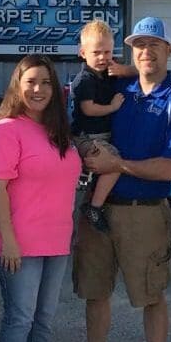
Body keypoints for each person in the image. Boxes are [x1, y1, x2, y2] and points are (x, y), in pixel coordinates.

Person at [61, 16, 171, 342]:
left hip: (145, 210)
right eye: (139, 45)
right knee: (95, 292)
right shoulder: (116, 88)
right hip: (96, 211)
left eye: (155, 44)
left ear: (169, 51)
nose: (146, 51)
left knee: (152, 296)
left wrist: (118, 166)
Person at [0, 55, 83, 342]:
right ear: (18, 85)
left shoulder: (60, 131)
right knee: (20, 317)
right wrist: (8, 239)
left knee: (44, 317)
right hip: (17, 244)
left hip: (55, 241)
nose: (38, 89)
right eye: (30, 82)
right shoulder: (7, 129)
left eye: (45, 82)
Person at [70, 20, 130, 233]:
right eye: (97, 52)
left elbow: (136, 73)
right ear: (83, 53)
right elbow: (89, 109)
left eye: (108, 52)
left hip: (100, 135)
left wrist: (123, 69)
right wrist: (113, 107)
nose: (103, 57)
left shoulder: (108, 74)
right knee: (114, 162)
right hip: (85, 137)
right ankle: (93, 207)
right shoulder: (84, 79)